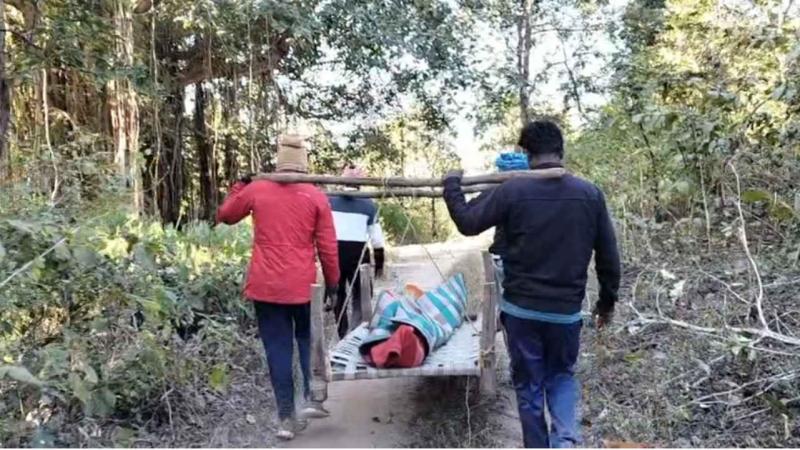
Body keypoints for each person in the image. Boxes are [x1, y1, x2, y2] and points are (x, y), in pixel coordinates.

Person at [442, 120, 621, 448]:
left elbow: (468, 222)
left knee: (529, 386)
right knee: (561, 377)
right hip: (565, 314)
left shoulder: (512, 190)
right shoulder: (589, 195)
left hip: (522, 312)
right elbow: (609, 257)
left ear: (526, 154)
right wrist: (606, 304)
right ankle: (566, 442)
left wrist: (452, 184)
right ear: (561, 152)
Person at [216, 134, 340, 441]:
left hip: (266, 286)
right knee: (306, 339)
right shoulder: (315, 196)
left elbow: (226, 215)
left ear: (278, 161)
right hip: (303, 287)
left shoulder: (257, 189)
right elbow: (328, 248)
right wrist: (333, 284)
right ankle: (311, 398)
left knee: (278, 349)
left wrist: (240, 186)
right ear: (304, 163)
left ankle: (286, 417)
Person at [328, 165, 385, 339]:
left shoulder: (330, 201)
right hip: (359, 253)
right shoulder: (368, 204)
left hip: (335, 252)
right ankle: (357, 331)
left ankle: (342, 331)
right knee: (361, 294)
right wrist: (379, 263)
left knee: (338, 294)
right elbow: (376, 239)